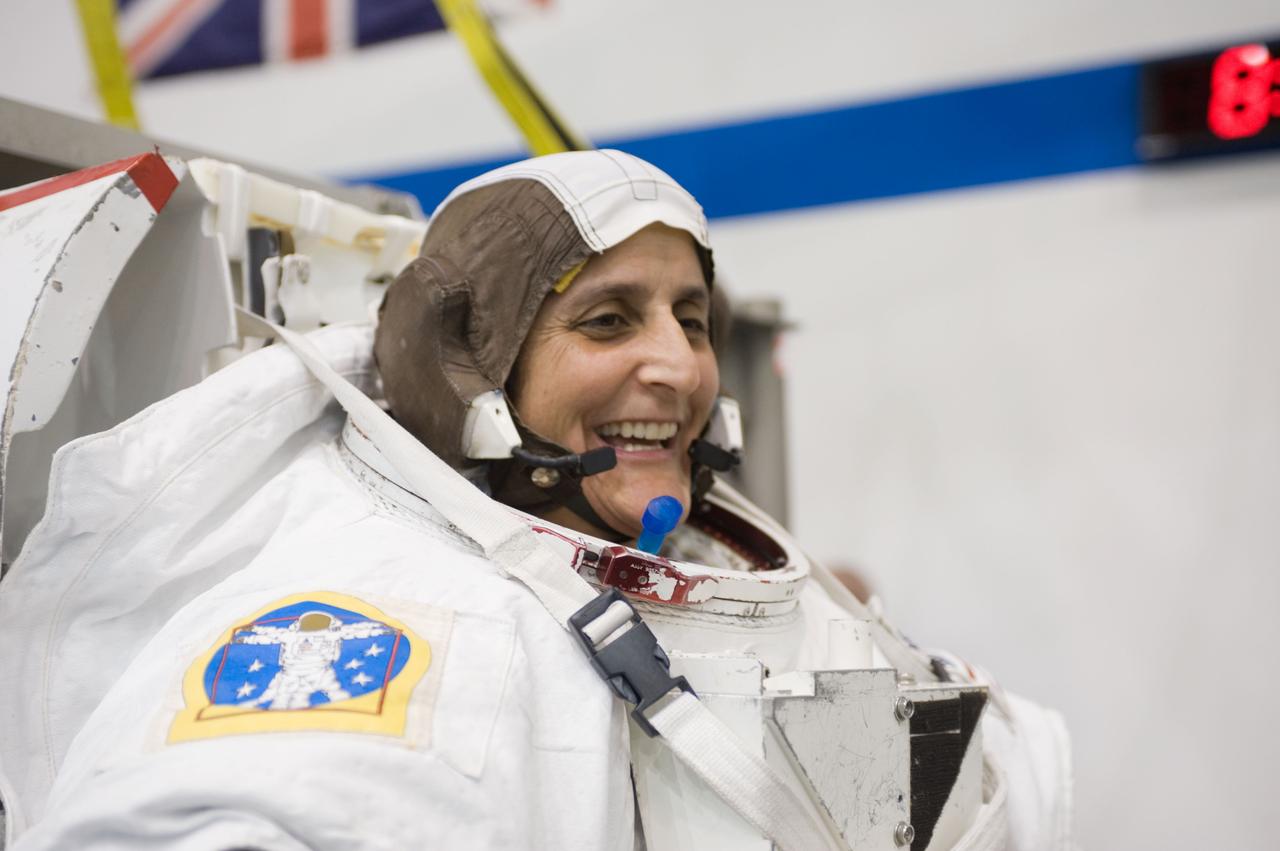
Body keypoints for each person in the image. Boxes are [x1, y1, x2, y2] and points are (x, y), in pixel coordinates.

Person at [0, 150, 1071, 850]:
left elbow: (939, 808)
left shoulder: (703, 572)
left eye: (688, 317)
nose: (681, 367)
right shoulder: (408, 611)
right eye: (607, 320)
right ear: (467, 366)